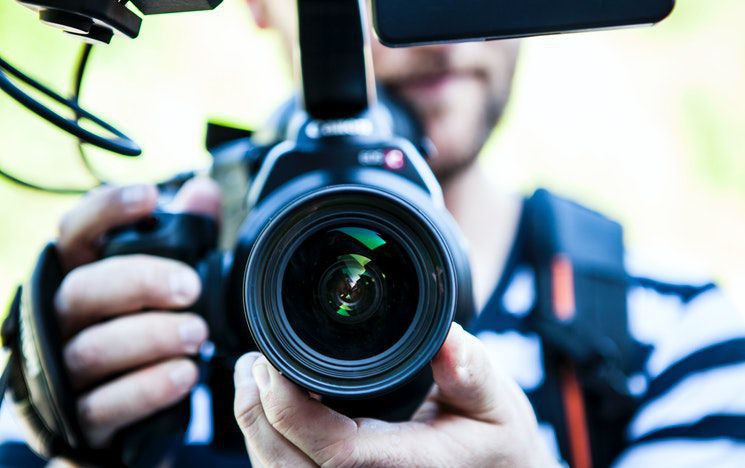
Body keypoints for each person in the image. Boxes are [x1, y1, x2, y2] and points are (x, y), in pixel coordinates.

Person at [3, 0, 745, 466]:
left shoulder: (677, 335)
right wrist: (57, 428)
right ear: (259, 4)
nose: (440, 36)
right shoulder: (133, 311)